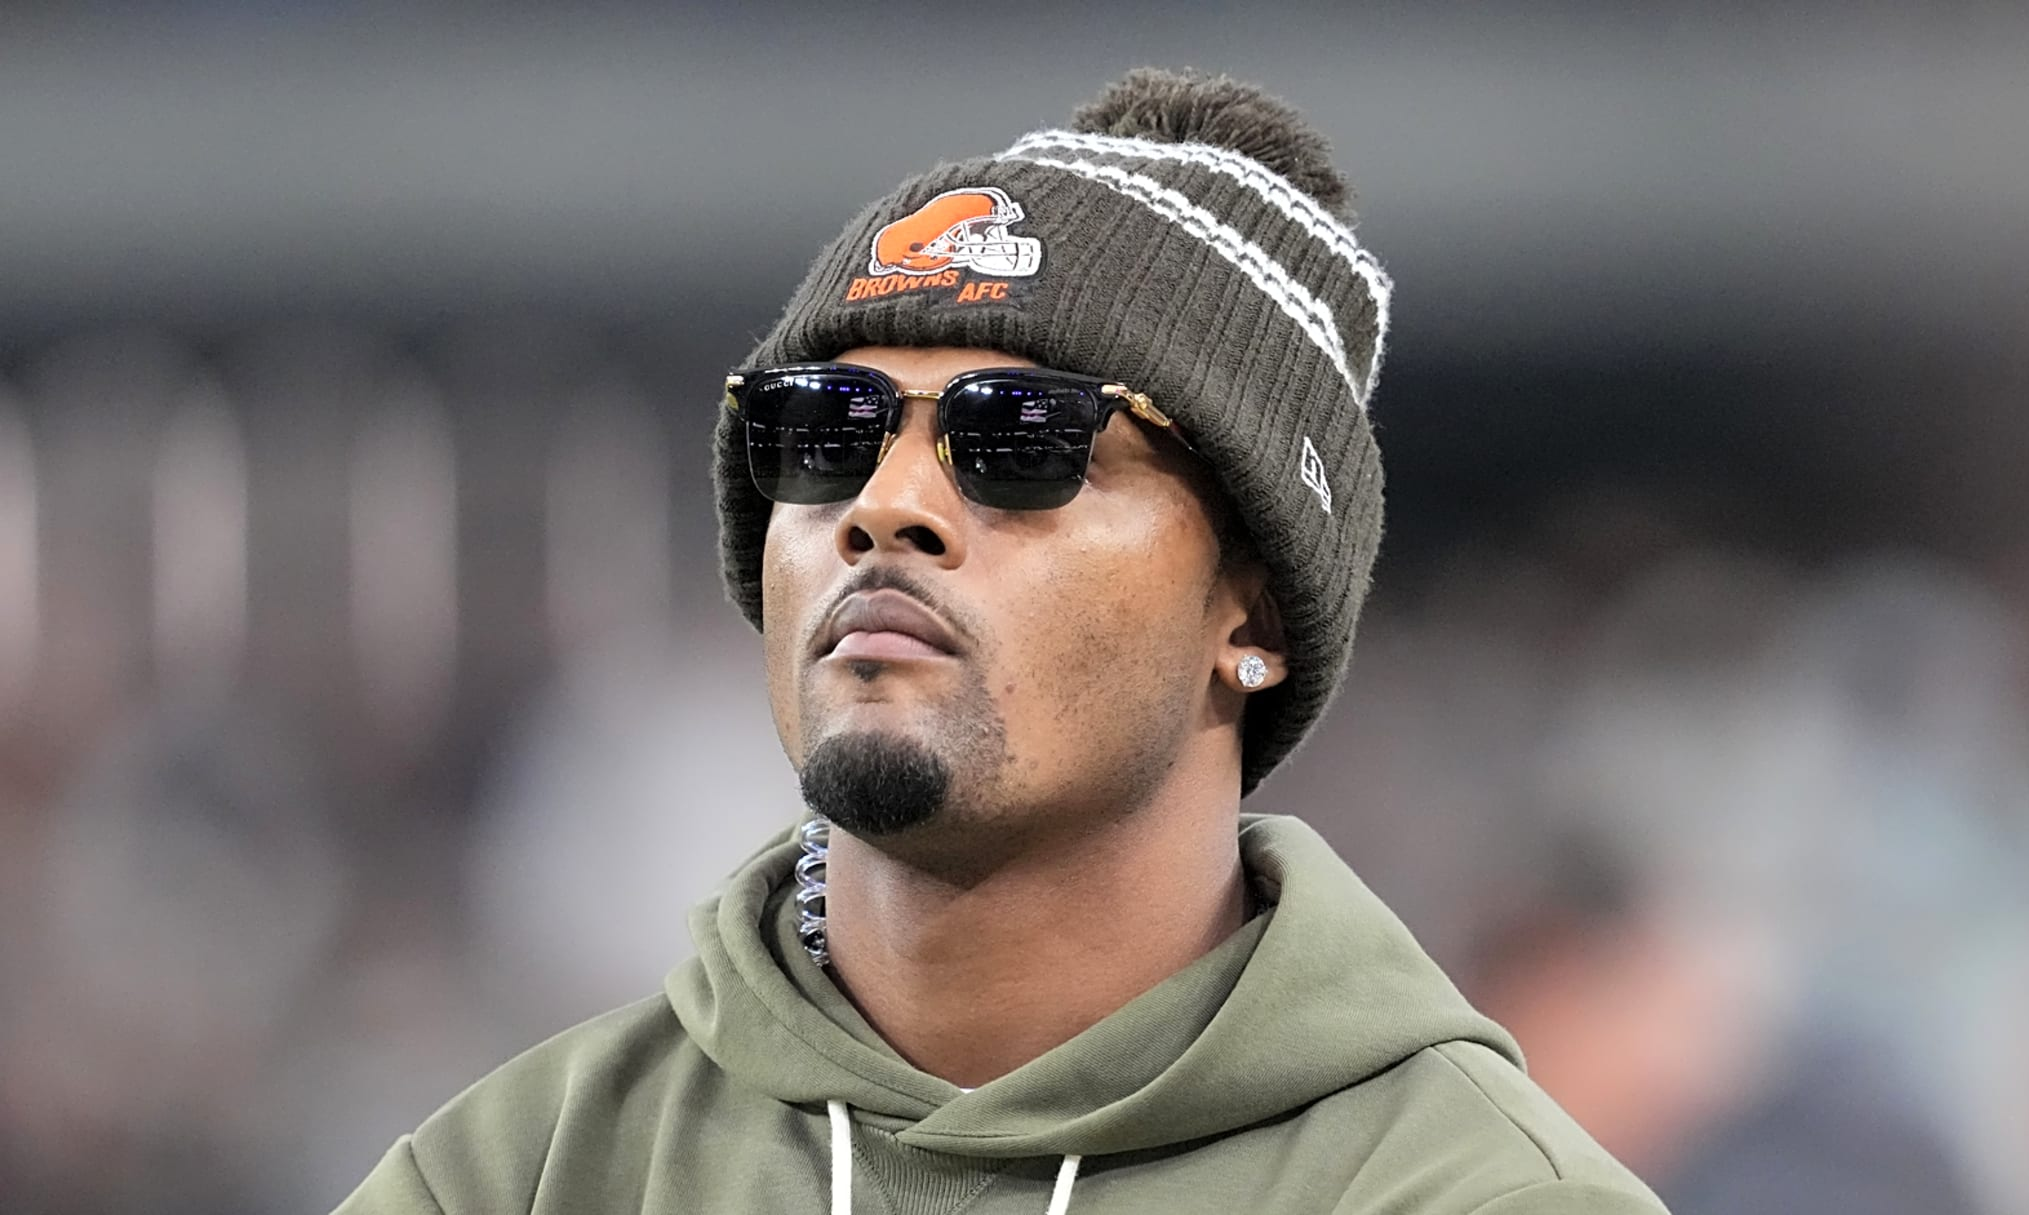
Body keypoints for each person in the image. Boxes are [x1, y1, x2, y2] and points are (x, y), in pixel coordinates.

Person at [335, 67, 1668, 1214]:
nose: (884, 506)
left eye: (1020, 442)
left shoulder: (1475, 1193)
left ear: (1253, 614)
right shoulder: (518, 1175)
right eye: (825, 431)